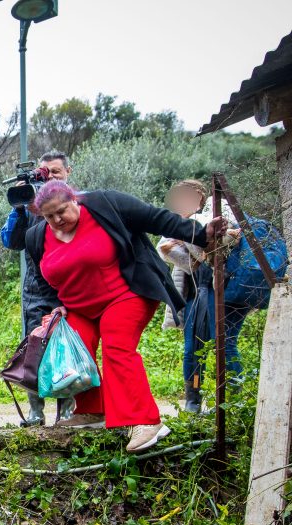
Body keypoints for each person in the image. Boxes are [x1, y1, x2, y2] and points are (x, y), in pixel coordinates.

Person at [26, 180, 228, 452]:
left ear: (75, 199)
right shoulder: (37, 237)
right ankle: (92, 410)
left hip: (126, 294)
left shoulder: (105, 204)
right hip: (78, 306)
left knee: (117, 346)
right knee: (76, 349)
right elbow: (41, 278)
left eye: (61, 211)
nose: (57, 219)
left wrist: (201, 234)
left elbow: (155, 218)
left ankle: (145, 421)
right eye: (49, 216)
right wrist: (55, 305)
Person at [159, 180, 249, 413]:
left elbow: (228, 240)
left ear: (199, 196)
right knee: (192, 349)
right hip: (194, 293)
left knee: (225, 343)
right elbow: (172, 253)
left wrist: (191, 238)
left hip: (222, 289)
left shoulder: (216, 214)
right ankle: (193, 398)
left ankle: (235, 399)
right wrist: (193, 241)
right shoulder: (176, 224)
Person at [0, 150, 76, 426]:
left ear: (67, 172)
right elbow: (11, 241)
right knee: (34, 349)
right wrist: (20, 206)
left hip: (69, 287)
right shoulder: (31, 205)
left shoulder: (75, 203)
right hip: (35, 288)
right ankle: (36, 411)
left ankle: (67, 409)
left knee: (66, 348)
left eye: (55, 172)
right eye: (43, 173)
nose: (49, 177)